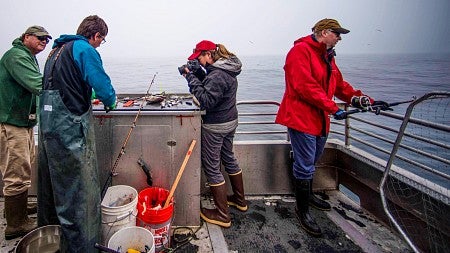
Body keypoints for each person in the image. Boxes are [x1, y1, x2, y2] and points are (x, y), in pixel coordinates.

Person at [275, 18, 389, 236]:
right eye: (337, 34)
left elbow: (338, 85)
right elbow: (304, 87)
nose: (340, 38)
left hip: (320, 120)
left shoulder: (327, 57)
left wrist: (364, 100)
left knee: (312, 161)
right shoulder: (300, 52)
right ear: (325, 32)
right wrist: (332, 107)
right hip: (302, 119)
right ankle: (303, 211)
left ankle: (307, 195)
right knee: (305, 164)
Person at [37, 15, 116, 252]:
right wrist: (110, 101)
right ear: (96, 35)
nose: (101, 44)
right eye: (102, 39)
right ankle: (82, 245)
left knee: (54, 187)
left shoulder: (56, 50)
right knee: (78, 190)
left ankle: (52, 239)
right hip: (69, 129)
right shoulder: (84, 48)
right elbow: (101, 84)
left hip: (49, 126)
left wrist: (89, 96)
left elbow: (64, 84)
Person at [182, 40, 247, 228]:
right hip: (230, 121)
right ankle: (239, 201)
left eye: (200, 58)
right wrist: (199, 73)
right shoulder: (226, 69)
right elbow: (214, 88)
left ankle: (222, 214)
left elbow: (206, 100)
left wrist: (190, 77)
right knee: (228, 158)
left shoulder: (218, 74)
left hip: (216, 125)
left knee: (212, 167)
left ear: (209, 55)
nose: (199, 61)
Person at [0, 25, 52, 240]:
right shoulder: (17, 56)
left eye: (47, 39)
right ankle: (15, 224)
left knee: (24, 165)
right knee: (16, 172)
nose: (44, 41)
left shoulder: (28, 57)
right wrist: (70, 91)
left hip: (24, 123)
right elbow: (38, 84)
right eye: (40, 37)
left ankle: (16, 210)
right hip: (11, 123)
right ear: (26, 37)